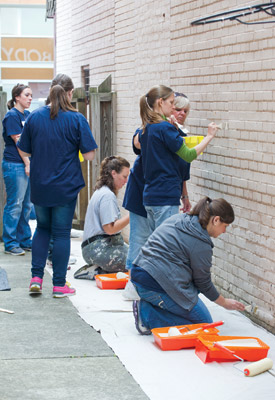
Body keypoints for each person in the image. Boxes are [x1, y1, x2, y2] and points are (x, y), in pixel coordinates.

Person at [17, 75, 97, 298]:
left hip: (41, 183)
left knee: (42, 228)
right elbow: (90, 154)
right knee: (61, 233)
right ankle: (60, 285)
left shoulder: (34, 117)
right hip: (66, 185)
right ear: (70, 93)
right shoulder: (76, 119)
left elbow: (23, 150)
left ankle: (36, 278)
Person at [131, 197, 245, 335]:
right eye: (225, 226)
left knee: (192, 293)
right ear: (216, 220)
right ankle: (147, 315)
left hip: (139, 274)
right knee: (205, 326)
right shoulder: (201, 243)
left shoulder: (182, 219)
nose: (224, 231)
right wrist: (224, 302)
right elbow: (203, 282)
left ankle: (151, 307)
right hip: (154, 284)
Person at [134, 85, 218, 235]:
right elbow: (188, 155)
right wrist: (209, 136)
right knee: (166, 247)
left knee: (156, 245)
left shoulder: (148, 127)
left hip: (150, 197)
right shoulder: (165, 128)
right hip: (165, 198)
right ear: (161, 102)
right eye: (172, 103)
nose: (174, 107)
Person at [74, 156, 130, 280]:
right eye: (124, 177)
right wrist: (131, 216)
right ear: (114, 173)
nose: (126, 181)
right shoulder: (107, 196)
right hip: (98, 249)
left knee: (136, 254)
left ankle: (101, 268)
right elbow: (110, 229)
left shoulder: (102, 191)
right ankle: (98, 270)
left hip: (94, 248)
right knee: (137, 261)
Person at [2, 84, 33, 255]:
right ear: (17, 97)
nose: (30, 98)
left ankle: (24, 240)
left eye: (31, 95)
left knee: (26, 205)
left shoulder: (27, 115)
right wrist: (28, 163)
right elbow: (18, 141)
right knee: (15, 204)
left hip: (26, 164)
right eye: (26, 95)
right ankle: (10, 243)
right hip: (15, 165)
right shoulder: (12, 116)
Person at [170, 92, 192, 213]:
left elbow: (183, 168)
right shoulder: (163, 131)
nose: (182, 114)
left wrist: (185, 196)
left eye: (185, 111)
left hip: (174, 192)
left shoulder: (182, 134)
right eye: (178, 110)